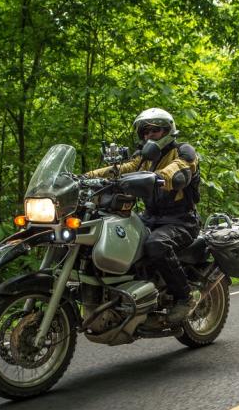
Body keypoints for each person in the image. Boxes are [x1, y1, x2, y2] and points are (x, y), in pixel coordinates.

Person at [85, 108, 202, 324]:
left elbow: (180, 169)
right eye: (145, 132)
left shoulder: (184, 151)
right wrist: (87, 177)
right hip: (150, 217)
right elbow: (122, 168)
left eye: (155, 131)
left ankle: (185, 297)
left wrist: (156, 177)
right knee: (115, 234)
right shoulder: (145, 157)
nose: (150, 135)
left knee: (156, 245)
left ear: (168, 131)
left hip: (181, 220)